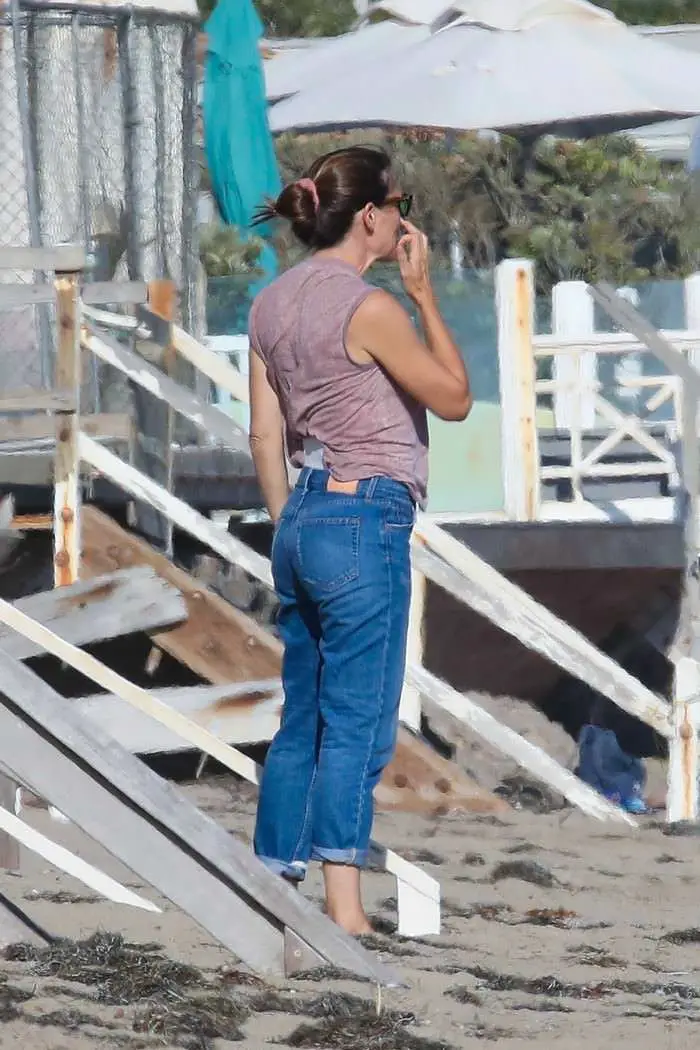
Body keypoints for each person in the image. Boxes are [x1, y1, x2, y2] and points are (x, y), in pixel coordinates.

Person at [247, 144, 471, 935]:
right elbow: (454, 399)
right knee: (361, 723)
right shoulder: (370, 308)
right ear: (370, 216)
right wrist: (424, 293)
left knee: (301, 716)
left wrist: (290, 522)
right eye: (398, 204)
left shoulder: (270, 304)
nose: (403, 217)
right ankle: (344, 911)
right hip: (366, 514)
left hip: (303, 512)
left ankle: (274, 886)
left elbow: (263, 434)